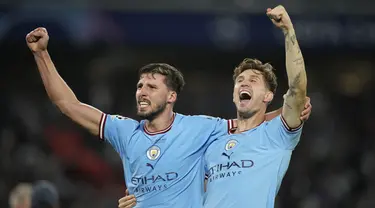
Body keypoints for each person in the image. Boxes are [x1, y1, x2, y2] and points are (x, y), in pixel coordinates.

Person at [25, 22, 310, 207]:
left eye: (151, 86)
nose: (142, 91)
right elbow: (68, 105)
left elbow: (249, 123)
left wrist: (291, 111)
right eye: (139, 86)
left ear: (171, 96)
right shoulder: (125, 131)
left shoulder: (200, 128)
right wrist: (41, 55)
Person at [203, 5, 307, 207]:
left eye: (253, 80)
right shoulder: (213, 142)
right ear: (234, 95)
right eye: (240, 80)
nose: (244, 83)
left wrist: (288, 31)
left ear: (268, 95)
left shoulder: (277, 134)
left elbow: (297, 88)